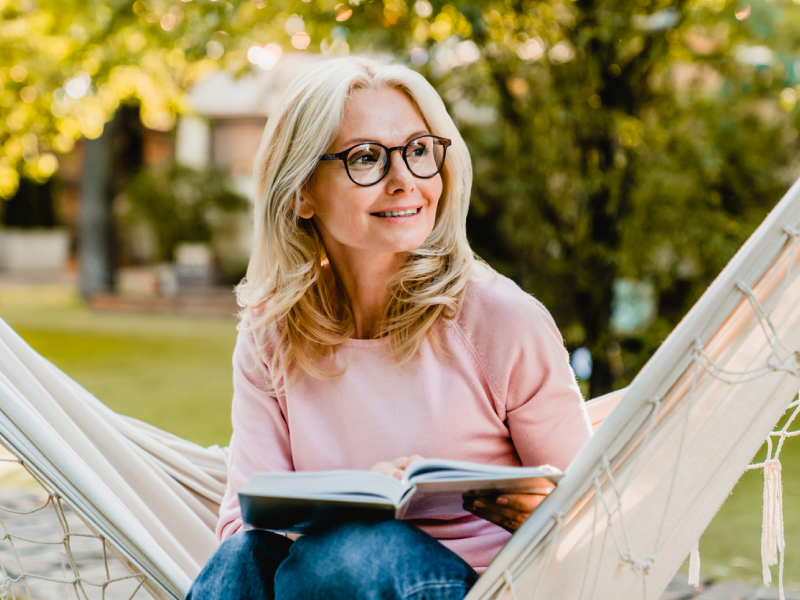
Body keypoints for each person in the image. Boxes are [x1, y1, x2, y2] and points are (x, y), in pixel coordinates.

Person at [187, 55, 592, 600]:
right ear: (302, 191)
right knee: (244, 556)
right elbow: (246, 530)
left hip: (484, 588)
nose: (405, 181)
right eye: (367, 158)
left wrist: (514, 504)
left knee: (352, 554)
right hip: (319, 581)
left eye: (420, 151)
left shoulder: (501, 322)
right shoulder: (271, 334)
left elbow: (594, 515)